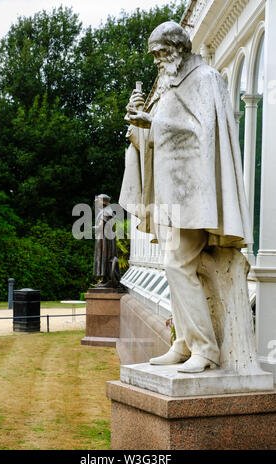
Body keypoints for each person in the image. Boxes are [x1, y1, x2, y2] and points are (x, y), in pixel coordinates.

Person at [119, 21, 253, 373]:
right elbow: (153, 142)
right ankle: (183, 342)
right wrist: (138, 126)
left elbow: (203, 133)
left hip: (195, 196)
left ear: (179, 47)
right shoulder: (169, 85)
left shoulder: (205, 78)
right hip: (169, 194)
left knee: (176, 265)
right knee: (176, 266)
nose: (158, 61)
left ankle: (206, 349)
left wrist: (154, 123)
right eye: (154, 56)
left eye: (162, 53)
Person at [93, 194, 120, 288]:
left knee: (104, 257)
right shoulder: (107, 211)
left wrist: (92, 228)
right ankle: (105, 278)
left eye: (98, 201)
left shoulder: (106, 212)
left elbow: (101, 226)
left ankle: (107, 278)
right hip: (105, 239)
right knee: (105, 257)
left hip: (104, 240)